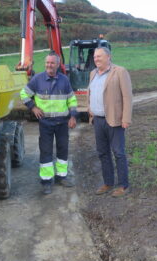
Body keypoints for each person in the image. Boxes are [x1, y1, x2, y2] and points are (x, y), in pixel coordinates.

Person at [20, 52, 78, 195]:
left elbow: (71, 100)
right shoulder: (37, 79)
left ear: (58, 65)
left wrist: (73, 116)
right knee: (46, 151)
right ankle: (46, 181)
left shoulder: (64, 80)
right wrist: (33, 107)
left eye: (52, 63)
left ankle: (61, 177)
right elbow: (23, 94)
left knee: (62, 149)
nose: (49, 65)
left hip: (62, 123)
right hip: (45, 123)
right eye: (47, 62)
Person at [88, 47, 133, 198]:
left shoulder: (119, 72)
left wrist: (126, 118)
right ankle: (108, 183)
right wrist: (90, 111)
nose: (96, 59)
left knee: (119, 153)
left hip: (115, 120)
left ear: (108, 57)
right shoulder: (93, 74)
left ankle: (123, 185)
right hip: (98, 120)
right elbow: (91, 94)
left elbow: (127, 97)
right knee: (102, 153)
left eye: (99, 56)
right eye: (95, 57)